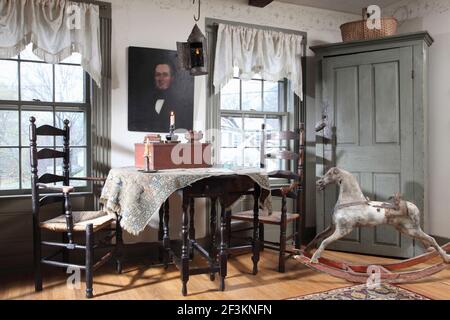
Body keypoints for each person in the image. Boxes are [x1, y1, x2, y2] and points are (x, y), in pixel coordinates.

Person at [128, 60, 194, 133]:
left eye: (165, 75)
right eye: (158, 74)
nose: (161, 78)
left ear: (172, 78)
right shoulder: (144, 101)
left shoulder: (181, 103)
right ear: (154, 78)